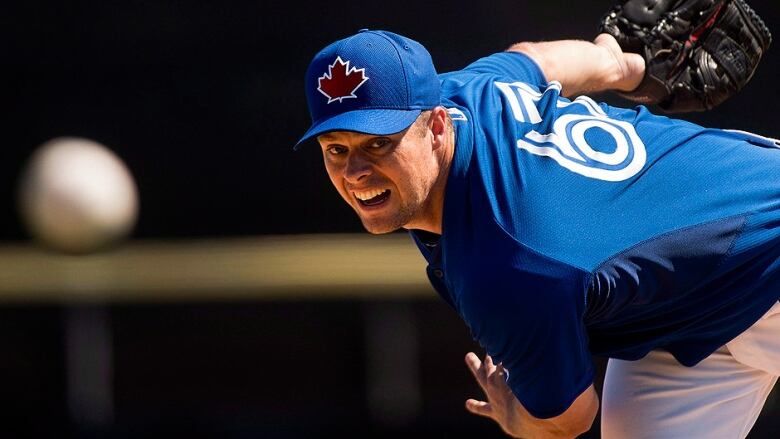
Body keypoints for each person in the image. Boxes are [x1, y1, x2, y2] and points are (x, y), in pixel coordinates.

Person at [295, 28, 780, 438]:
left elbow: (568, 418)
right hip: (683, 306)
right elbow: (535, 58)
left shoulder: (506, 259)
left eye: (380, 143)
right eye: (336, 148)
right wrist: (619, 62)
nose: (355, 170)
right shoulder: (466, 92)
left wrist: (518, 418)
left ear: (436, 126)